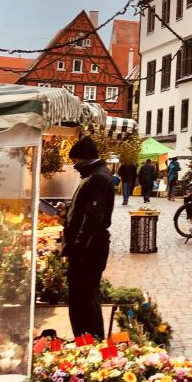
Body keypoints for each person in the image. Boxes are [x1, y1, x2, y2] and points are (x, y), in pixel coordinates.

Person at [62, 138, 115, 340]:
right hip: (90, 249)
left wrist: (77, 249)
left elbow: (92, 219)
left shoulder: (98, 178)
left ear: (84, 159)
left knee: (84, 300)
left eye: (75, 161)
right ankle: (86, 339)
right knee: (83, 299)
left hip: (89, 252)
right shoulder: (96, 176)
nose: (74, 166)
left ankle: (90, 340)